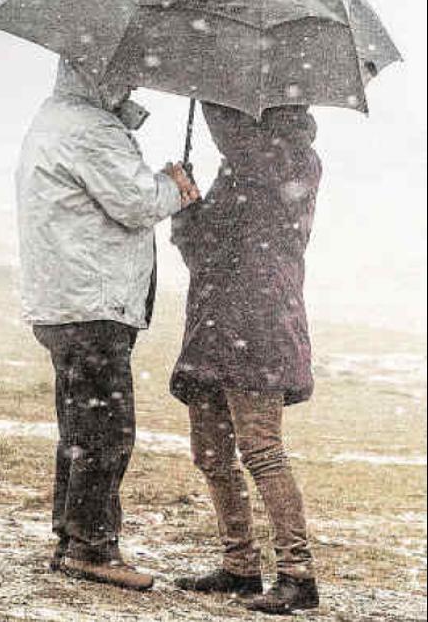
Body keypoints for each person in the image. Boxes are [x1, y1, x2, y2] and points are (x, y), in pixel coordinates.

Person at [16, 57, 198, 591]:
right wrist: (175, 185)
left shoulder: (57, 117)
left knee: (80, 428)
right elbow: (136, 202)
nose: (134, 81)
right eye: (125, 74)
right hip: (92, 302)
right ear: (99, 73)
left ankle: (73, 537)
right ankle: (91, 546)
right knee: (106, 432)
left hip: (66, 300)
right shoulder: (90, 129)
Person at [169, 103, 321, 614]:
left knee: (260, 448)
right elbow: (205, 250)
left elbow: (222, 243)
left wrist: (190, 205)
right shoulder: (246, 163)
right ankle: (239, 564)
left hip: (255, 326)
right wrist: (189, 205)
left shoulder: (276, 160)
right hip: (220, 324)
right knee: (211, 452)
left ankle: (297, 575)